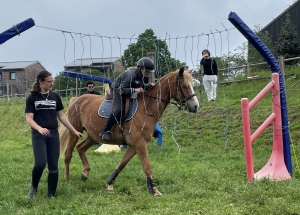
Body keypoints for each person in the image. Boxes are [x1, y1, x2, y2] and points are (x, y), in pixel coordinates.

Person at [25, 70, 83, 198]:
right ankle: (34, 187)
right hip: (38, 134)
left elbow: (61, 116)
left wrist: (74, 130)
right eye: (49, 81)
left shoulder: (55, 96)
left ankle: (51, 194)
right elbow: (29, 118)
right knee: (40, 163)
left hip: (53, 134)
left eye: (52, 81)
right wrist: (39, 128)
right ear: (41, 82)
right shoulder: (32, 98)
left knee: (53, 165)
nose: (52, 83)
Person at [100, 57, 155, 142]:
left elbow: (142, 85)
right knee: (119, 110)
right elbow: (122, 90)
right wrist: (135, 90)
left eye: (149, 72)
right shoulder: (130, 74)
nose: (148, 73)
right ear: (140, 68)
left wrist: (149, 86)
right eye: (146, 71)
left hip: (127, 91)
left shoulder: (145, 77)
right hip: (117, 90)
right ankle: (105, 131)